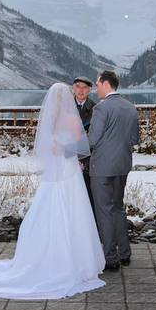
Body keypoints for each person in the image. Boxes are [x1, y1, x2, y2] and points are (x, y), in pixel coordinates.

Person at [0, 83, 104, 299]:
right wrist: (69, 153)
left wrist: (60, 150)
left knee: (50, 208)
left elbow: (48, 146)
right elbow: (80, 144)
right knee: (74, 211)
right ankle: (78, 259)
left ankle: (48, 255)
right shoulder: (71, 118)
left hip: (56, 171)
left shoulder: (50, 119)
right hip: (69, 170)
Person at [88, 70, 141, 270]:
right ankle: (125, 253)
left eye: (97, 84)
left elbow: (92, 140)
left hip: (102, 167)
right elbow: (134, 139)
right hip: (122, 165)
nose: (96, 88)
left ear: (105, 84)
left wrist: (68, 147)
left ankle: (110, 258)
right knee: (118, 208)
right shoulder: (130, 107)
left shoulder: (101, 109)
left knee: (104, 212)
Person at [73, 76, 97, 210]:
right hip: (67, 155)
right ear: (73, 88)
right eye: (78, 87)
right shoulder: (65, 106)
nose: (80, 90)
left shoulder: (95, 108)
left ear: (89, 90)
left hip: (87, 159)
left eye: (84, 88)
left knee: (87, 192)